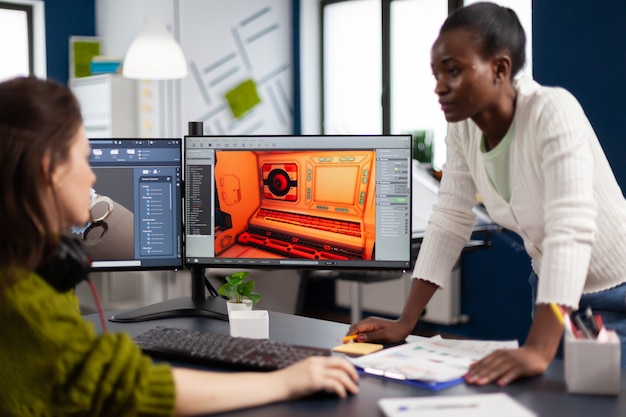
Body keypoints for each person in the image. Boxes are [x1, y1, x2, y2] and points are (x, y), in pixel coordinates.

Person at [0, 76, 359, 416]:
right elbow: (134, 388)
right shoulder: (23, 297)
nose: (92, 175)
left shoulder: (27, 267)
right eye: (83, 157)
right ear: (50, 169)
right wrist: (287, 381)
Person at [348, 1, 626, 387]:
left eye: (454, 70)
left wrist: (539, 349)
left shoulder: (552, 111)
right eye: (436, 73)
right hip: (555, 292)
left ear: (500, 68)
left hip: (617, 290)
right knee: (559, 399)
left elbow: (571, 229)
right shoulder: (464, 128)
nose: (439, 86)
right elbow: (450, 219)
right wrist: (406, 321)